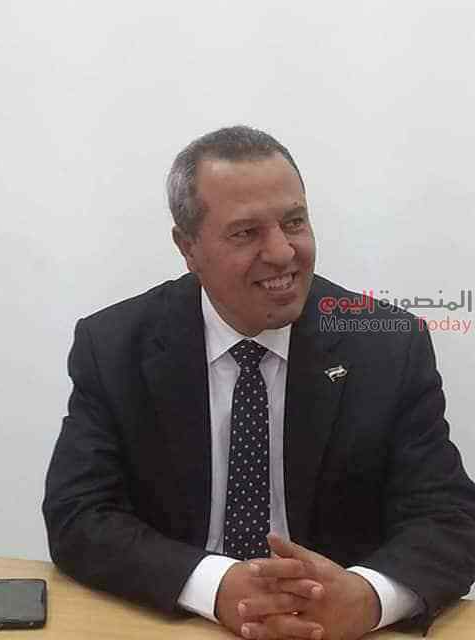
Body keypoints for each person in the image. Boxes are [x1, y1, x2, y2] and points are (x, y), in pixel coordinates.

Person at [43, 125, 475, 640]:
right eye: (246, 233)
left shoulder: (387, 346)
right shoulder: (114, 346)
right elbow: (78, 514)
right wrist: (215, 585)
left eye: (294, 222)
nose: (282, 252)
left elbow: (448, 518)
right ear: (188, 247)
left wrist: (367, 597)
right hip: (184, 625)